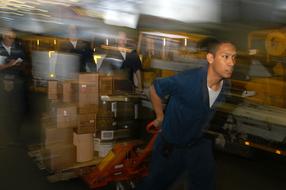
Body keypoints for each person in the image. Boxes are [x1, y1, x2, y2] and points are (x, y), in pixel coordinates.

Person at [137, 40, 237, 190]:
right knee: (155, 185)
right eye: (225, 57)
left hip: (198, 144)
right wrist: (160, 117)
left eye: (234, 58)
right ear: (210, 58)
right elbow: (155, 88)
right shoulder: (187, 80)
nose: (231, 63)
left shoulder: (226, 87)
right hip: (171, 145)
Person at [0, 28, 26, 145]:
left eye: (13, 38)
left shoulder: (18, 49)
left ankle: (15, 135)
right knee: (4, 111)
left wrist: (19, 64)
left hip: (16, 83)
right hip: (2, 83)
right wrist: (8, 65)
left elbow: (23, 63)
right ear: (4, 37)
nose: (12, 40)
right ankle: (5, 136)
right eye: (10, 38)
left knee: (16, 110)